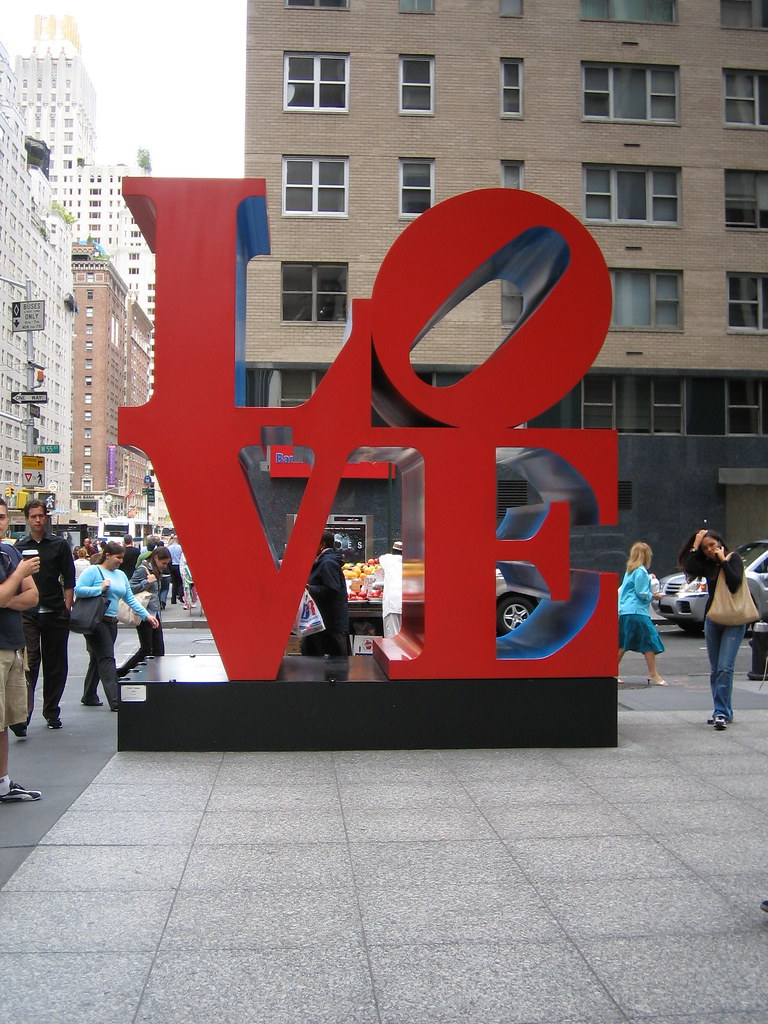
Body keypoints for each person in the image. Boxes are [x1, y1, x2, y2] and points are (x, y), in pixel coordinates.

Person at [13, 498, 75, 733]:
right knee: (29, 663)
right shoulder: (20, 546)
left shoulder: (59, 545)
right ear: (27, 519)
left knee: (55, 665)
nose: (38, 520)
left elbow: (69, 578)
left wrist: (66, 608)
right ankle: (23, 716)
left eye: (41, 516)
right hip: (28, 613)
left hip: (54, 611)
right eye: (33, 517)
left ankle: (51, 711)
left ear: (46, 517)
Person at [76, 542, 159, 711]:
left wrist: (146, 616)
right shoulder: (93, 571)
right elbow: (79, 590)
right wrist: (99, 588)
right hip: (96, 621)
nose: (120, 561)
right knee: (107, 658)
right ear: (107, 555)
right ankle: (115, 700)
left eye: (122, 558)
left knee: (98, 658)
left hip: (111, 622)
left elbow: (130, 598)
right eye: (118, 557)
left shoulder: (120, 575)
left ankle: (89, 695)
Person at [680, 527, 747, 730]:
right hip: (713, 618)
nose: (709, 550)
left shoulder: (733, 559)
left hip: (734, 620)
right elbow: (690, 566)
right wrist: (695, 544)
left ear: (720, 542)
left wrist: (723, 561)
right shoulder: (708, 565)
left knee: (725, 668)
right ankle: (724, 710)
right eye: (705, 548)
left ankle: (721, 713)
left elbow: (735, 584)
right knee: (716, 669)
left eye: (712, 545)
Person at [0, 498, 42, 802]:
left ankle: (2, 783)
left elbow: (32, 596)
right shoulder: (16, 560)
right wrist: (18, 575)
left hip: (13, 645)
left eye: (2, 517)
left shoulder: (10, 553)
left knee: (4, 720)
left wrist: (6, 600)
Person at [617, 541, 667, 686]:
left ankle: (612, 671)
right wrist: (655, 596)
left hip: (625, 611)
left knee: (623, 642)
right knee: (650, 640)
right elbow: (642, 593)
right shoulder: (641, 572)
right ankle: (653, 674)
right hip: (637, 611)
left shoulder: (630, 571)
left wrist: (648, 578)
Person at [117, 545, 170, 677]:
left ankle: (156, 676)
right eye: (164, 563)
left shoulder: (156, 570)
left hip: (154, 613)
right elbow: (129, 588)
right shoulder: (143, 570)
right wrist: (147, 582)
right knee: (146, 649)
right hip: (144, 614)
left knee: (158, 650)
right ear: (156, 558)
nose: (165, 566)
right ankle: (121, 673)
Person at [301, 530, 350, 656]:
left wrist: (310, 588)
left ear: (322, 544)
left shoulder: (327, 563)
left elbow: (332, 590)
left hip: (328, 623)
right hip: (321, 622)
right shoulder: (323, 561)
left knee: (332, 661)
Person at [379, 540, 403, 638]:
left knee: (393, 639)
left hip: (393, 603)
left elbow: (381, 559)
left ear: (392, 551)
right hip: (410, 603)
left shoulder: (387, 559)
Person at [167, 535, 183, 604]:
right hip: (178, 565)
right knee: (180, 581)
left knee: (174, 582)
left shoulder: (169, 548)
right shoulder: (180, 547)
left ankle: (173, 599)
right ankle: (180, 595)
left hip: (171, 565)